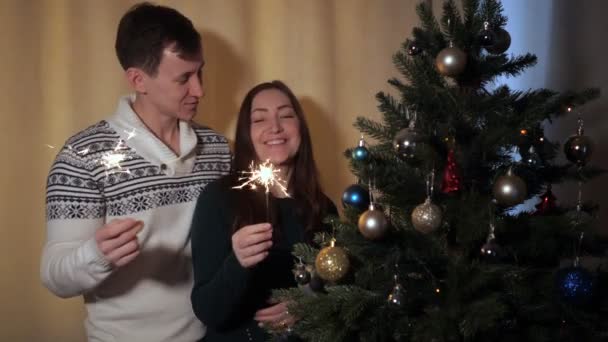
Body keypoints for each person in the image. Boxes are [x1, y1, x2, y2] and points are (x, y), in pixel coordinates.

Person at [40, 3, 231, 341]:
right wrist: (95, 256)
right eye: (184, 78)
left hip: (214, 334)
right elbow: (54, 276)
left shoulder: (217, 149)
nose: (200, 90)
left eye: (200, 72)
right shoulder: (82, 157)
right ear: (138, 79)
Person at [190, 80, 337, 341]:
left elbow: (343, 291)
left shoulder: (323, 207)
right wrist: (238, 262)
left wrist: (308, 303)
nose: (275, 127)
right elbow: (209, 311)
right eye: (260, 119)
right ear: (247, 134)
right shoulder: (218, 199)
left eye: (286, 115)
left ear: (300, 127)